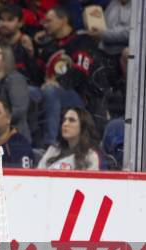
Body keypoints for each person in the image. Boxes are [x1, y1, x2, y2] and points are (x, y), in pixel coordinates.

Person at [35, 6, 109, 147]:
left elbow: (80, 72)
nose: (45, 25)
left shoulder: (81, 41)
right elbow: (38, 77)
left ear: (63, 20)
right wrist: (31, 49)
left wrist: (58, 82)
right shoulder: (48, 47)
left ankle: (49, 145)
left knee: (50, 91)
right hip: (50, 91)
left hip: (79, 98)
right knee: (31, 92)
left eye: (49, 20)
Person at [37, 107, 104, 170]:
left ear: (83, 126)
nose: (65, 124)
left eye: (71, 120)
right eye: (64, 120)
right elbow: (38, 176)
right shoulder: (53, 149)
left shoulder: (91, 156)